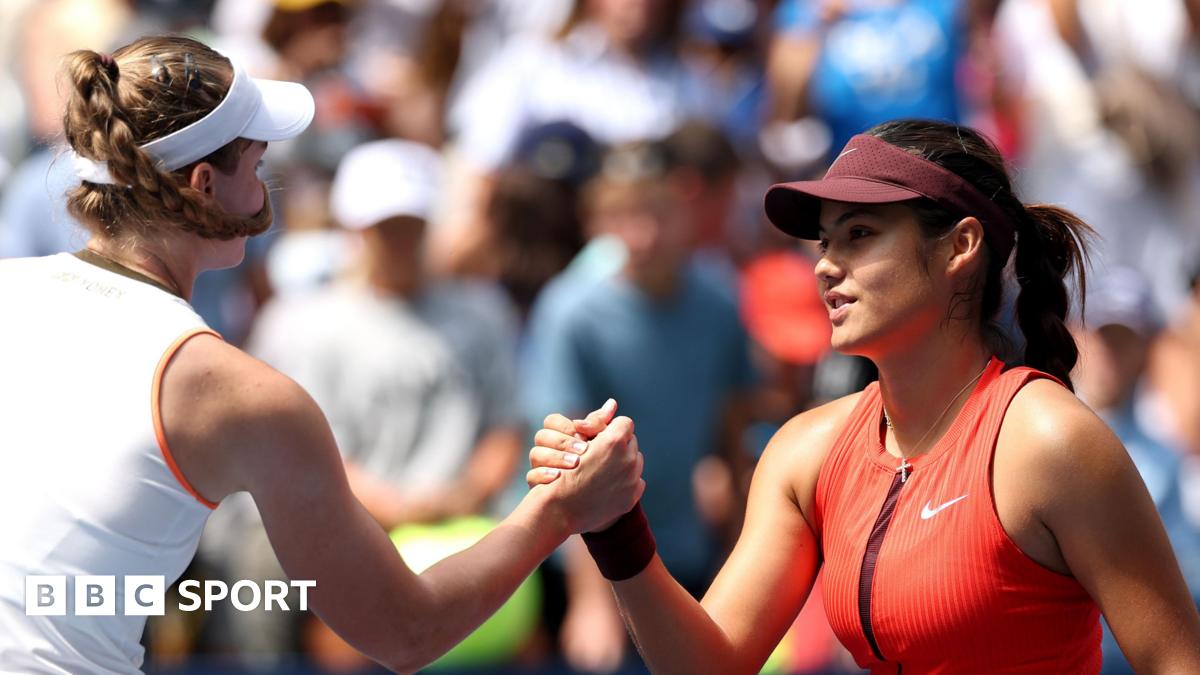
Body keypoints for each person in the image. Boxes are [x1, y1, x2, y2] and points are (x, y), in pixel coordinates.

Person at [0, 35, 644, 674]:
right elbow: (406, 632)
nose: (264, 187)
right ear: (202, 186)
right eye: (254, 167)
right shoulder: (241, 394)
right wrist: (560, 507)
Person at [530, 119, 1200, 672]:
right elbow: (709, 665)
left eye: (860, 234)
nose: (825, 263)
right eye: (825, 240)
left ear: (959, 246)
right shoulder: (805, 449)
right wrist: (616, 526)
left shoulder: (1049, 439)